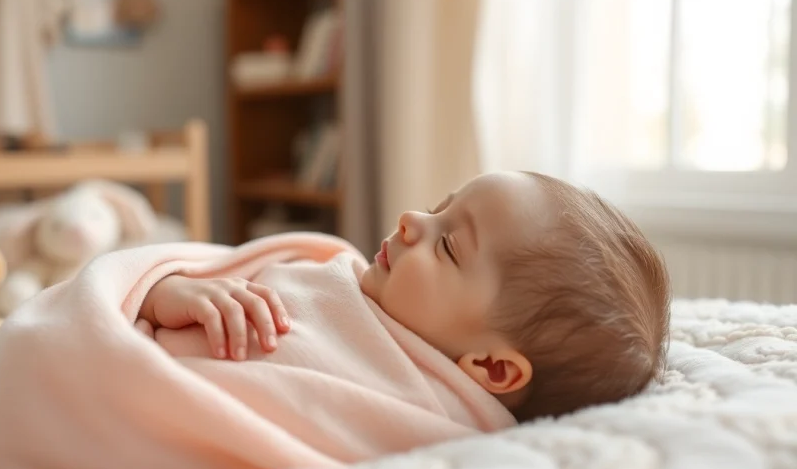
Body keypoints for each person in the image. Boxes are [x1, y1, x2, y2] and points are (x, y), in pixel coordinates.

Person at [139, 170, 671, 421]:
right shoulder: (330, 271)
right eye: (440, 205)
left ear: (493, 368)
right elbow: (158, 275)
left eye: (450, 248)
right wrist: (167, 289)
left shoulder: (417, 418)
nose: (414, 220)